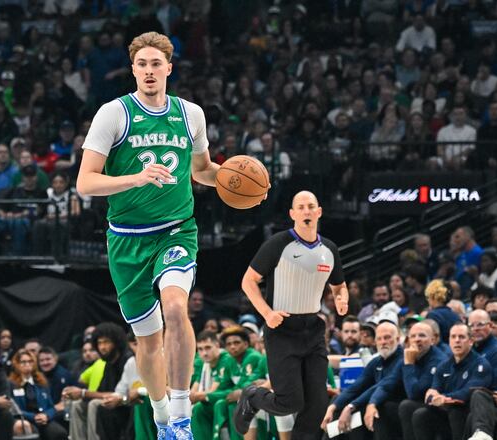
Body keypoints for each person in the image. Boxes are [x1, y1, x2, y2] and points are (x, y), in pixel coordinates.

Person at [76, 31, 223, 438]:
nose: (149, 71)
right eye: (141, 64)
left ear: (169, 68)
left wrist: (231, 180)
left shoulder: (190, 114)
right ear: (133, 70)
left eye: (156, 63)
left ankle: (181, 413)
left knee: (176, 307)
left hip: (176, 230)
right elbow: (85, 183)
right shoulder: (114, 114)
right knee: (148, 341)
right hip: (126, 240)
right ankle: (162, 418)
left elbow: (201, 170)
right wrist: (136, 178)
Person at [234, 190, 348, 438]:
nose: (306, 210)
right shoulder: (278, 244)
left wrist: (342, 299)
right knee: (291, 402)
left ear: (319, 212)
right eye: (301, 207)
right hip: (282, 329)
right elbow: (248, 281)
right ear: (292, 214)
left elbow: (339, 285)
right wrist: (267, 313)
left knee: (317, 404)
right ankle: (253, 396)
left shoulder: (329, 249)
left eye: (311, 206)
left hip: (314, 328)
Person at [320, 321, 403, 440]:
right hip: (376, 402)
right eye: (379, 338)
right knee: (337, 407)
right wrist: (332, 407)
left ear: (398, 339)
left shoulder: (403, 359)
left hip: (394, 405)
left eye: (387, 337)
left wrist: (350, 406)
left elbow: (381, 386)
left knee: (356, 414)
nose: (383, 342)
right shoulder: (377, 361)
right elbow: (357, 386)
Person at [412, 323, 493, 440]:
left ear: (470, 341)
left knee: (456, 411)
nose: (457, 341)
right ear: (449, 341)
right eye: (453, 337)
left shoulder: (481, 365)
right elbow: (432, 394)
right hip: (446, 411)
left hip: (469, 412)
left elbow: (469, 392)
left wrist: (443, 398)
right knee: (421, 414)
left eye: (461, 337)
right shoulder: (443, 366)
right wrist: (435, 397)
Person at [7, 348, 68, 440]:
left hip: (43, 419)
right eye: (23, 362)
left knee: (59, 433)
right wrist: (34, 417)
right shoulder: (11, 384)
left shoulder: (42, 382)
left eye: (30, 361)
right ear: (17, 365)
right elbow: (13, 409)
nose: (27, 364)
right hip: (24, 419)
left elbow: (51, 406)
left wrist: (46, 416)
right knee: (26, 430)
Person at [190, 330, 237, 440]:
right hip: (215, 399)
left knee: (199, 408)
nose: (204, 353)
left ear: (217, 345)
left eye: (208, 348)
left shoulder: (226, 359)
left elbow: (214, 390)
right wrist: (189, 397)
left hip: (228, 397)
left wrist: (195, 396)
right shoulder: (205, 363)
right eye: (200, 349)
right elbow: (196, 385)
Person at [468, 310, 497, 388]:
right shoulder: (471, 348)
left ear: (490, 325)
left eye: (480, 325)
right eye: (471, 325)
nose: (475, 329)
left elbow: (494, 386)